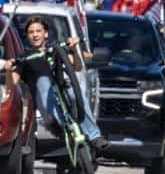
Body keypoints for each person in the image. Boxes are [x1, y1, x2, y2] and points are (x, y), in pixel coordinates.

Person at [17, 18, 102, 150]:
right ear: (27, 36)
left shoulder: (55, 49)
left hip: (60, 89)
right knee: (43, 82)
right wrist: (7, 68)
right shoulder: (24, 57)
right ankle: (62, 127)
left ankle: (95, 136)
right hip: (42, 101)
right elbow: (13, 84)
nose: (35, 35)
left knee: (75, 93)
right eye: (31, 32)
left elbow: (77, 67)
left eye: (38, 31)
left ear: (46, 34)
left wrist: (73, 50)